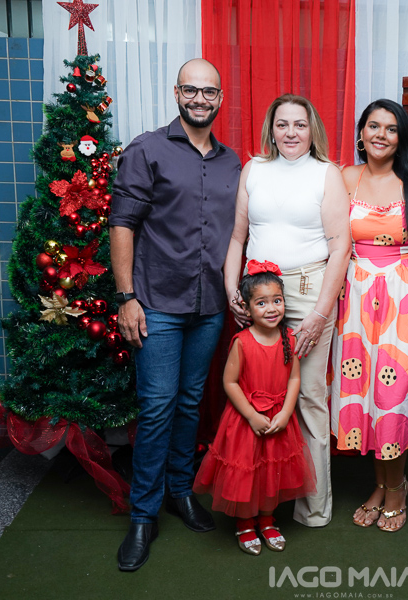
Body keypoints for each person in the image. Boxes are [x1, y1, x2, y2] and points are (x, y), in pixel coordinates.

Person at [110, 58, 241, 571]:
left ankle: (180, 492)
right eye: (191, 90)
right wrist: (126, 297)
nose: (200, 99)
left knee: (190, 403)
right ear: (176, 93)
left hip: (209, 306)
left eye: (209, 92)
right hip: (157, 303)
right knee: (158, 407)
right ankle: (143, 515)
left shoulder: (233, 163)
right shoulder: (147, 149)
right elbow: (122, 224)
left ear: (220, 98)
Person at [224, 94, 350, 527]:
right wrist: (231, 289)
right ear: (271, 129)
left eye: (300, 124)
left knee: (309, 396)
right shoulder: (254, 169)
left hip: (309, 292)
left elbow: (340, 248)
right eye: (283, 124)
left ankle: (313, 507)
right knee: (258, 393)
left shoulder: (326, 174)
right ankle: (260, 500)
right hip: (257, 292)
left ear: (312, 129)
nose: (291, 132)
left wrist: (319, 314)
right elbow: (238, 237)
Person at [330, 99, 408, 532]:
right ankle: (380, 485)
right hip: (356, 300)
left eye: (391, 128)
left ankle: (397, 489)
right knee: (364, 395)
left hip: (407, 298)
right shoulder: (346, 178)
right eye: (373, 126)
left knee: (392, 396)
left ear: (402, 138)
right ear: (361, 133)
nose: (381, 134)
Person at [193, 261, 316, 555]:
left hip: (278, 419)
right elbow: (230, 382)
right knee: (248, 473)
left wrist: (286, 413)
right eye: (261, 303)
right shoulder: (242, 342)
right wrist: (251, 415)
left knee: (272, 473)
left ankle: (267, 520)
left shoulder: (289, 338)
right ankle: (246, 523)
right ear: (247, 310)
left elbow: (294, 378)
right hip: (247, 422)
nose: (271, 309)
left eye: (277, 300)